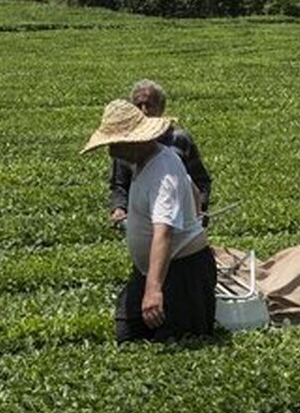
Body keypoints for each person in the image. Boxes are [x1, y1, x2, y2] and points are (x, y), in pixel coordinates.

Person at [83, 99, 215, 343]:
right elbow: (193, 189)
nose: (111, 151)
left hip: (183, 271)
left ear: (135, 141)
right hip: (152, 269)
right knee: (127, 333)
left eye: (115, 143)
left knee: (178, 341)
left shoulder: (162, 171)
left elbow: (163, 232)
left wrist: (154, 291)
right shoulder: (143, 162)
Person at [109, 79, 212, 227]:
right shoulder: (127, 145)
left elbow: (200, 181)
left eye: (149, 105)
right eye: (138, 106)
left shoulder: (180, 139)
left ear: (161, 109)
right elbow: (119, 184)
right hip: (141, 220)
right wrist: (118, 209)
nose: (144, 111)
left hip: (179, 218)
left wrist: (199, 207)